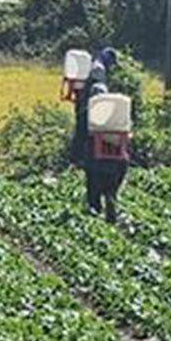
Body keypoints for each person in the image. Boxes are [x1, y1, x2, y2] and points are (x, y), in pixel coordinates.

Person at [72, 48, 127, 223]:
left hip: (96, 150)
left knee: (92, 175)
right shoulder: (98, 74)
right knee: (109, 175)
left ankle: (95, 206)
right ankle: (107, 202)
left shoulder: (94, 120)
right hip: (109, 155)